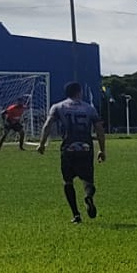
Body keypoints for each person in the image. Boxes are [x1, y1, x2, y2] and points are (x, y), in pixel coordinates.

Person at [36, 82, 106, 224]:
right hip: (86, 147)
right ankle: (88, 197)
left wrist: (42, 144)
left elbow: (48, 124)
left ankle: (76, 215)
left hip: (68, 148)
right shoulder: (89, 108)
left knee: (68, 181)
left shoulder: (58, 107)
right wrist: (102, 150)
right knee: (88, 179)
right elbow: (99, 129)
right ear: (79, 92)